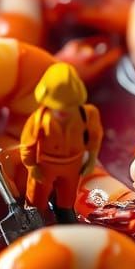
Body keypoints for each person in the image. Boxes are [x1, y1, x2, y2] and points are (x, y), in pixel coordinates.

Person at [19, 62, 103, 221]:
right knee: (36, 196)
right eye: (57, 105)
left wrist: (91, 159)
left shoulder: (88, 115)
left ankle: (65, 215)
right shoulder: (38, 119)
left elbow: (94, 137)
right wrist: (32, 165)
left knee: (67, 195)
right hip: (44, 164)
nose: (63, 110)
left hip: (73, 164)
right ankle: (34, 216)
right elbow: (28, 144)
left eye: (69, 105)